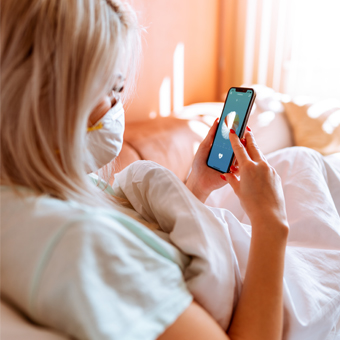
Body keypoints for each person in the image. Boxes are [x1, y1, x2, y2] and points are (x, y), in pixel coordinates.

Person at [1, 1, 339, 340]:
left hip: (240, 246)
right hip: (287, 280)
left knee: (300, 165)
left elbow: (154, 244)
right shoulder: (80, 246)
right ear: (53, 99)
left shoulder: (39, 188)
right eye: (113, 89)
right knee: (302, 167)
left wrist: (195, 188)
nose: (118, 106)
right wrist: (269, 221)